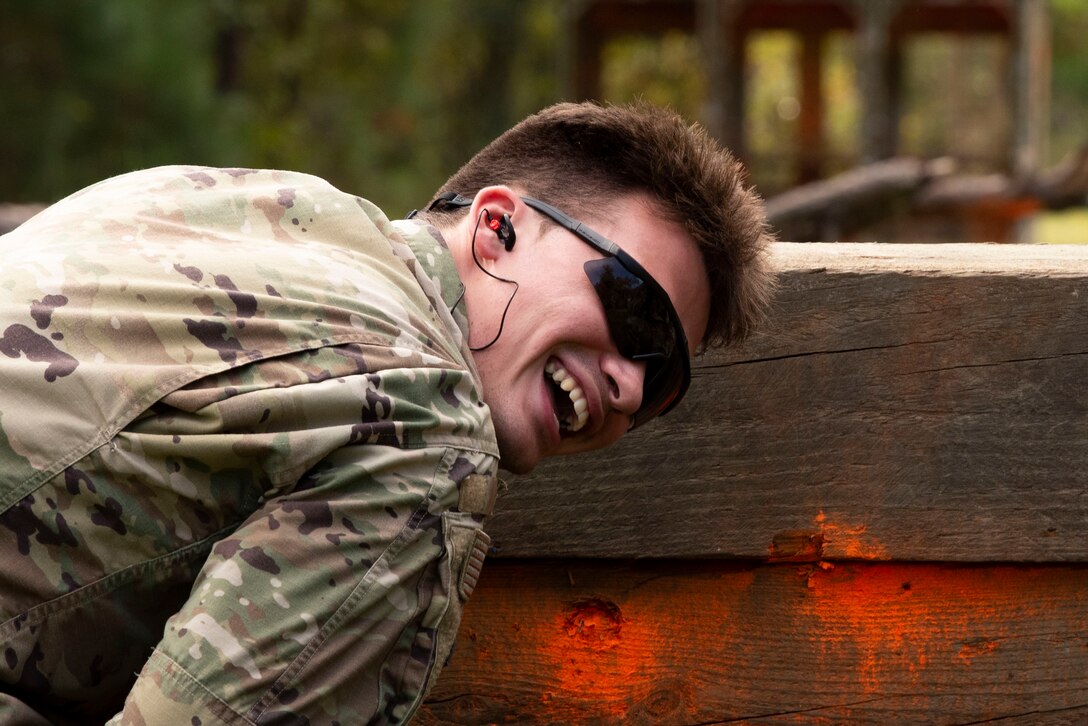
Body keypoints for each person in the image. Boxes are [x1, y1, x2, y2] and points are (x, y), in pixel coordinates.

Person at [0, 101, 773, 724]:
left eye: (662, 381)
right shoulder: (426, 430)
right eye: (637, 315)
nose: (629, 391)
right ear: (497, 227)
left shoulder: (227, 203)